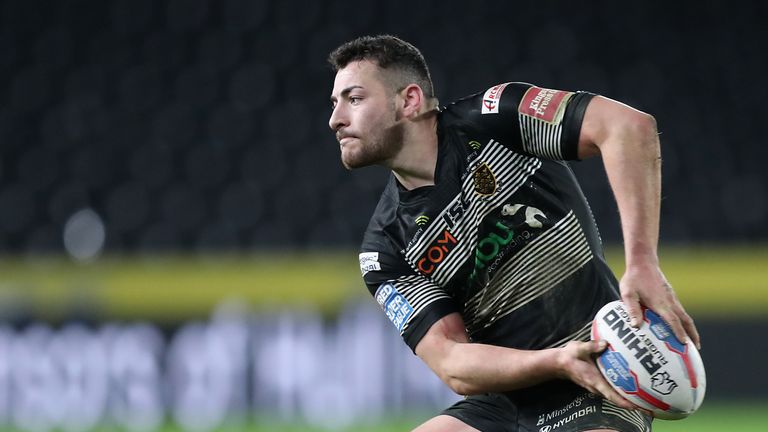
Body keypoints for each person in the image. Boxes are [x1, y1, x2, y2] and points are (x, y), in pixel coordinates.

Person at [327, 35, 700, 432]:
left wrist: (642, 261)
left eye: (353, 98)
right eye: (334, 104)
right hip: (504, 403)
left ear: (410, 100)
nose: (335, 119)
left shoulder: (495, 118)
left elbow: (627, 126)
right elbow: (454, 364)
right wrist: (555, 362)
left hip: (600, 377)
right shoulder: (385, 246)